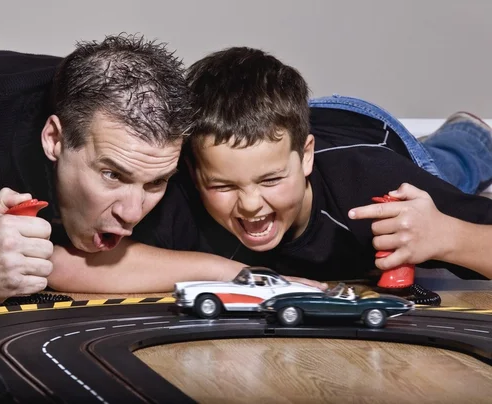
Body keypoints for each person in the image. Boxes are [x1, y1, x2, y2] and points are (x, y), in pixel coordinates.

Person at [49, 46, 492, 294]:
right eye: (222, 185)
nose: (251, 205)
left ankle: (470, 139)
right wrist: (228, 273)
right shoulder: (169, 188)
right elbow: (63, 265)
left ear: (306, 158)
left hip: (366, 131)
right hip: (282, 133)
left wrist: (448, 236)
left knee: (448, 174)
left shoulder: (370, 184)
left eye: (271, 181)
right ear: (193, 169)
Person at [0, 34, 194, 307]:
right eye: (112, 175)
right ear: (54, 139)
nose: (132, 213)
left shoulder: (155, 155)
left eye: (156, 182)